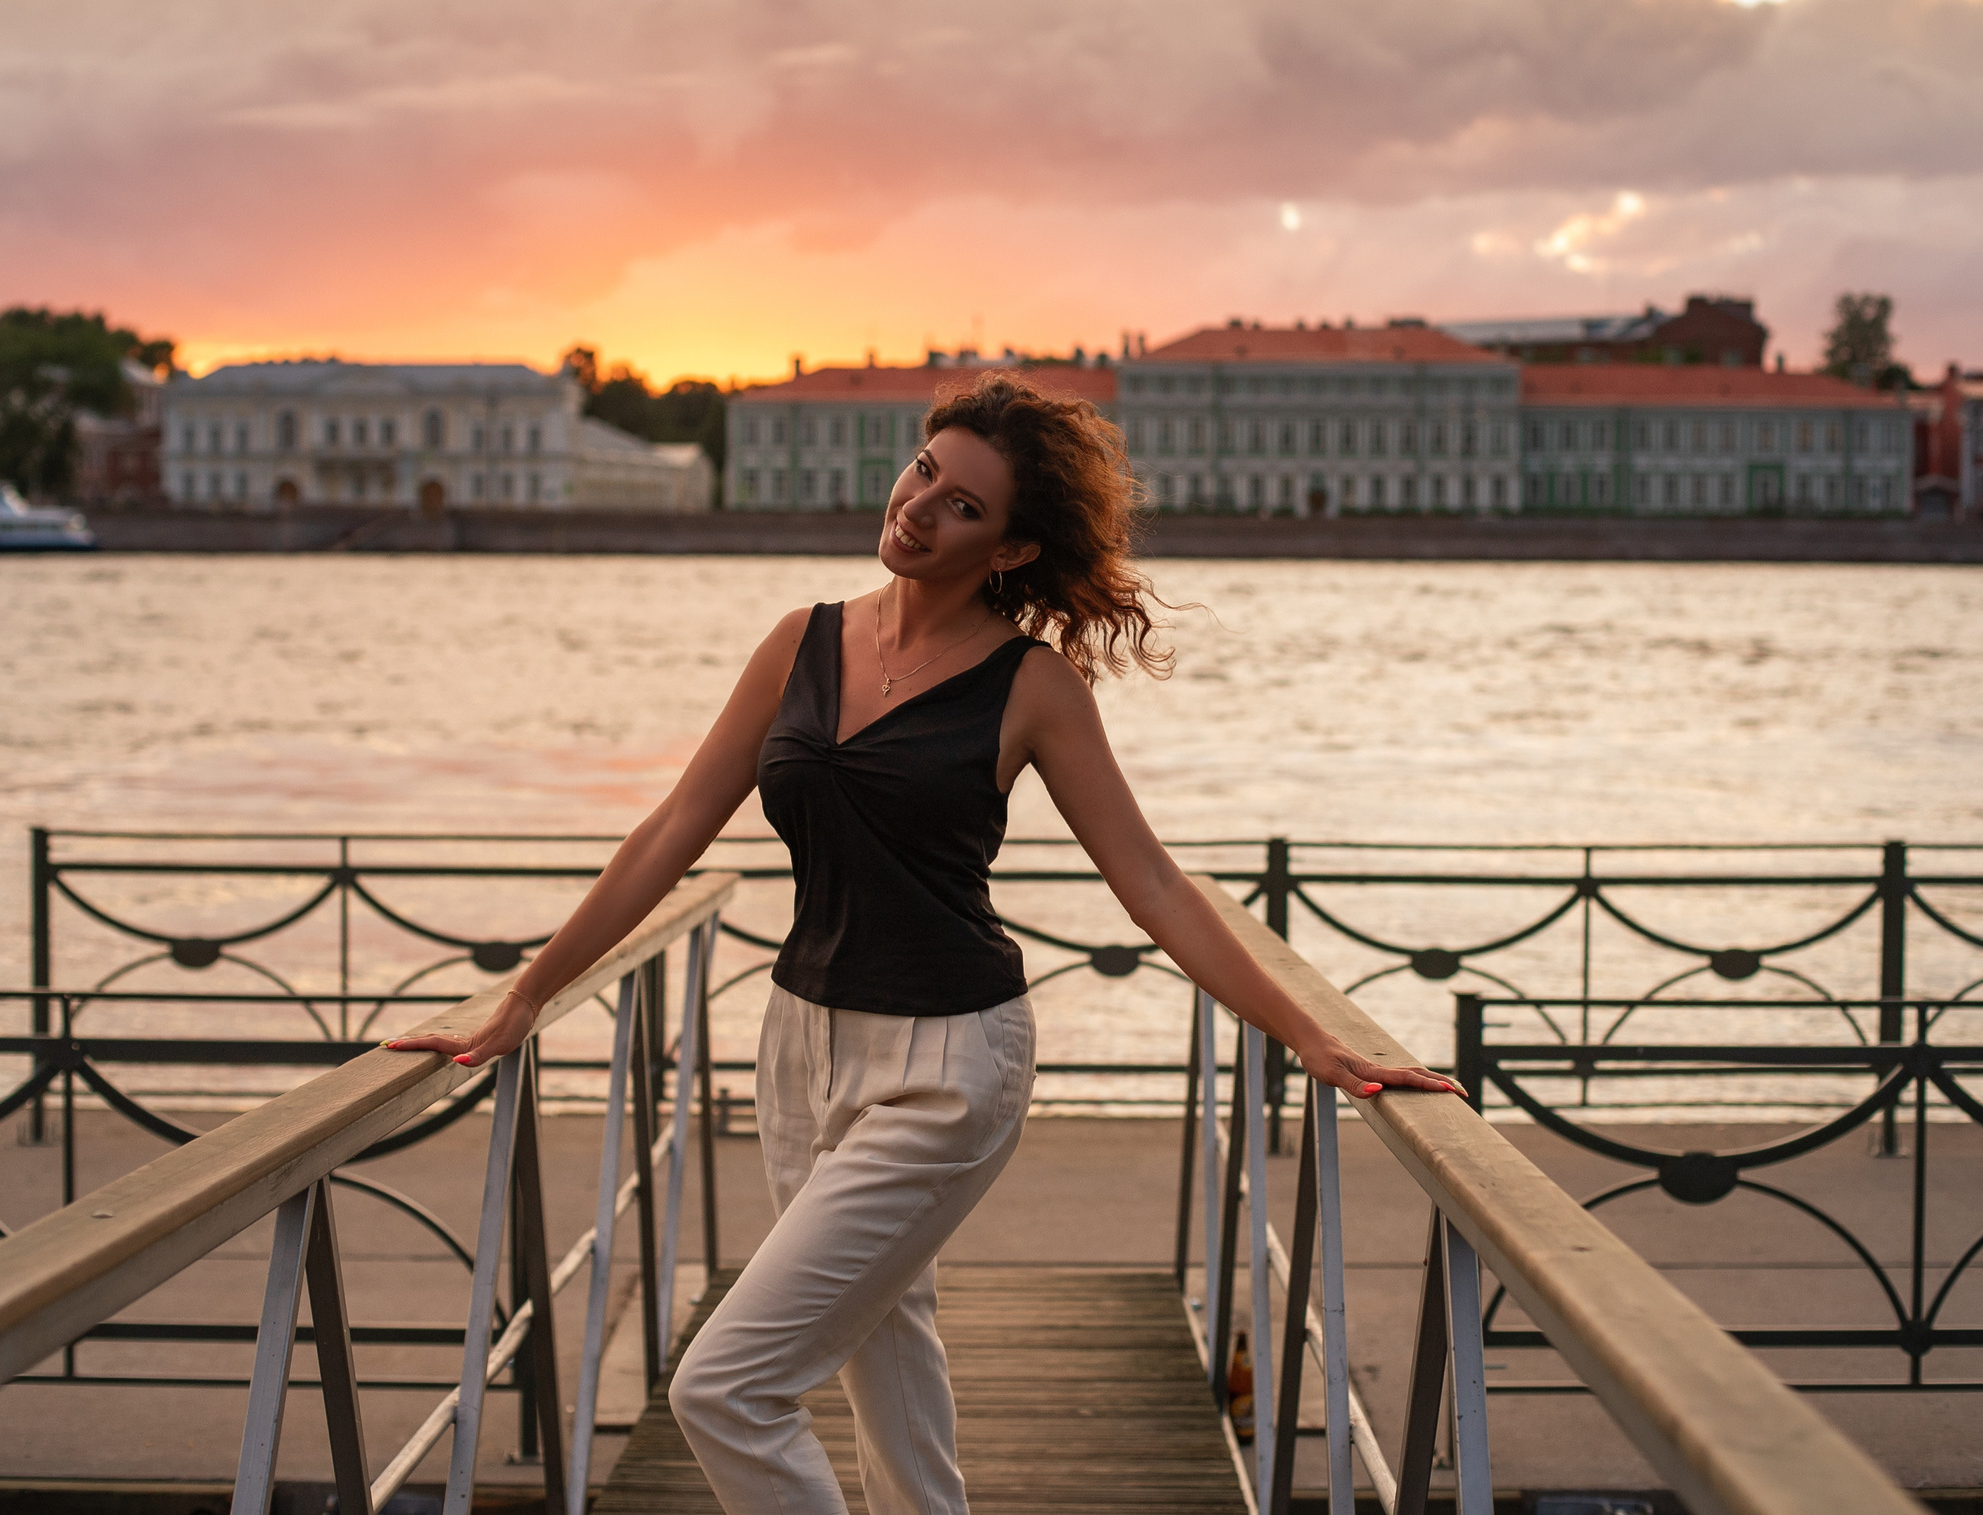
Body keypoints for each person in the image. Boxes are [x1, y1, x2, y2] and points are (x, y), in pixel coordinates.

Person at [391, 372, 1462, 1514]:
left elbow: (1149, 881)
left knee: (726, 1387)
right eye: (922, 473)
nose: (918, 507)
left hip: (949, 1066)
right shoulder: (799, 641)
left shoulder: (1032, 685)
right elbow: (668, 834)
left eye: (961, 506)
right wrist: (525, 997)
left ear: (1006, 551)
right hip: (800, 1050)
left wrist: (1309, 1036)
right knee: (884, 1358)